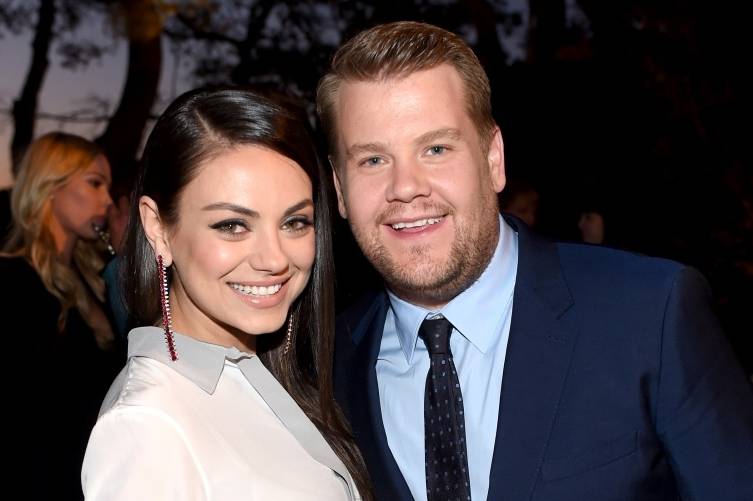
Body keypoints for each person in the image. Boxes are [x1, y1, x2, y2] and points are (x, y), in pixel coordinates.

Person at [316, 21, 753, 501]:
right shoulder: (325, 370)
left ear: (493, 159)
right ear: (339, 189)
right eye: (373, 161)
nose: (405, 187)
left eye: (436, 149)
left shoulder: (651, 314)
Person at [81, 87, 370, 500]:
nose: (274, 259)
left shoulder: (268, 373)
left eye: (294, 222)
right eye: (232, 225)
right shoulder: (147, 425)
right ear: (157, 227)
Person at [0, 132, 123, 500]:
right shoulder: (13, 280)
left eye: (108, 187)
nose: (107, 200)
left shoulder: (91, 279)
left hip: (94, 475)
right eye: (95, 183)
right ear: (50, 186)